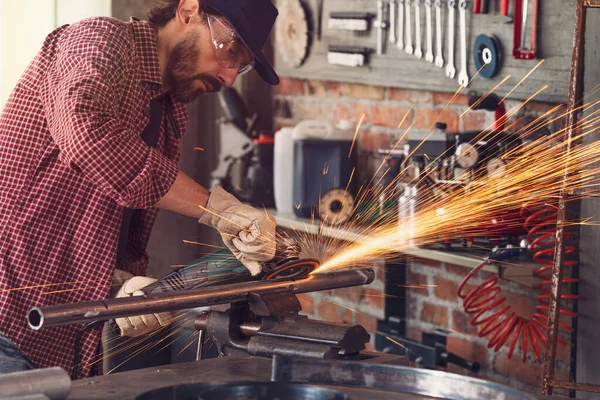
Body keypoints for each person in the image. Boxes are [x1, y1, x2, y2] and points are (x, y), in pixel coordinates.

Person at [0, 0, 279, 378]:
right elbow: (87, 135)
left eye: (241, 64)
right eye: (229, 51)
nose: (229, 78)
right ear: (189, 10)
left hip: (55, 337)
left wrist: (116, 286)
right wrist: (216, 210)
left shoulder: (166, 110)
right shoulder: (97, 41)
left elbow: (86, 225)